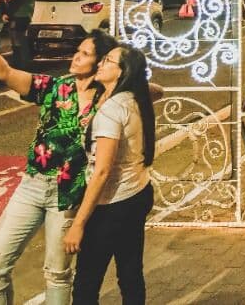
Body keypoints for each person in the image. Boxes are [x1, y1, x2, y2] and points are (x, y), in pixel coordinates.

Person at [0, 9, 119, 305]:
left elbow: (153, 91)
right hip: (32, 186)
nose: (76, 57)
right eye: (77, 51)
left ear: (100, 62)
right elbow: (5, 74)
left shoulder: (109, 100)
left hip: (69, 195)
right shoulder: (54, 88)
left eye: (85, 53)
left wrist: (120, 79)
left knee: (57, 274)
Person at [67, 45, 156, 305]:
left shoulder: (111, 110)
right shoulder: (136, 98)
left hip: (112, 205)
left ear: (123, 72)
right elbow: (158, 90)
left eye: (108, 61)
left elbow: (103, 171)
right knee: (130, 273)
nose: (100, 64)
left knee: (85, 283)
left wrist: (78, 224)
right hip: (138, 193)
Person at [2, 0, 36, 70]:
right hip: (20, 15)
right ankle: (19, 63)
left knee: (19, 40)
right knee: (17, 40)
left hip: (21, 15)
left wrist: (7, 13)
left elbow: (17, 1)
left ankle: (22, 64)